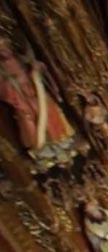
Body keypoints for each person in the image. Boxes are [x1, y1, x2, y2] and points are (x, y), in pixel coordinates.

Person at [0, 38, 76, 169]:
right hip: (26, 101)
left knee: (46, 116)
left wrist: (36, 75)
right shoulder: (2, 72)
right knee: (31, 120)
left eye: (5, 48)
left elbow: (39, 72)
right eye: (2, 50)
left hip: (33, 97)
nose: (4, 51)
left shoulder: (22, 61)